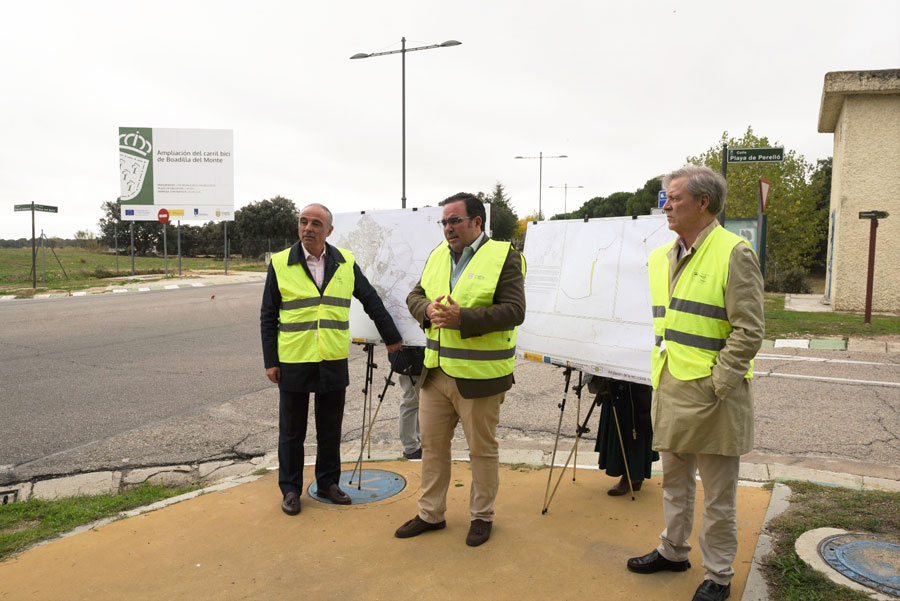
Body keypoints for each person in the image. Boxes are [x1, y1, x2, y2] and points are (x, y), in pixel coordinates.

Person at [626, 166, 764, 601]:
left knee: (719, 495)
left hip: (712, 395)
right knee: (674, 482)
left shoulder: (733, 252)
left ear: (704, 203)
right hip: (668, 386)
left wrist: (719, 383)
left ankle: (719, 575)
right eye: (665, 198)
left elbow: (749, 330)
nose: (666, 205)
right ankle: (673, 550)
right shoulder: (662, 256)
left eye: (674, 198)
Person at [394, 192, 526, 547]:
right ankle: (430, 514)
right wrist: (426, 310)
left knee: (482, 451)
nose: (448, 228)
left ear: (477, 222)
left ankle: (482, 517)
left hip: (480, 379)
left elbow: (515, 311)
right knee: (433, 448)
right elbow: (415, 295)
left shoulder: (504, 257)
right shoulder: (438, 255)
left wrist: (461, 318)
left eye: (454, 221)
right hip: (435, 374)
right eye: (445, 221)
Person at [260, 203, 402, 516]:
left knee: (330, 429)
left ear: (329, 231)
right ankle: (291, 490)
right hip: (294, 359)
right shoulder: (281, 263)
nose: (308, 228)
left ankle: (327, 483)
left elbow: (370, 300)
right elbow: (268, 315)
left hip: (333, 358)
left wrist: (392, 337)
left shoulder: (344, 262)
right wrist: (271, 360)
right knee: (292, 432)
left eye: (315, 223)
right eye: (303, 222)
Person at [589, 376, 657, 496]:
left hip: (633, 378)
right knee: (621, 416)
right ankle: (635, 472)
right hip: (615, 376)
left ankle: (632, 474)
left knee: (634, 419)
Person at [388, 346, 425, 460]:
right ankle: (411, 448)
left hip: (415, 356)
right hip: (411, 357)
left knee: (417, 402)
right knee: (411, 402)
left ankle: (416, 443)